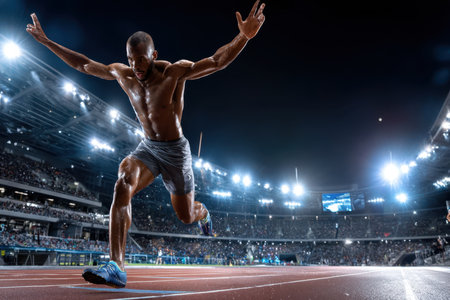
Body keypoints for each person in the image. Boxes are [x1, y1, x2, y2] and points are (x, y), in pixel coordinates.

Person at [26, 0, 265, 288]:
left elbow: (216, 62)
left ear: (154, 54)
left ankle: (204, 213)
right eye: (131, 59)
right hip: (149, 147)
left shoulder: (173, 73)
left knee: (186, 215)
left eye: (141, 59)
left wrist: (243, 37)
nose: (136, 66)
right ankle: (116, 266)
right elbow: (84, 64)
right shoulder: (123, 75)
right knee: (123, 180)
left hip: (176, 151)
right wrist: (48, 41)